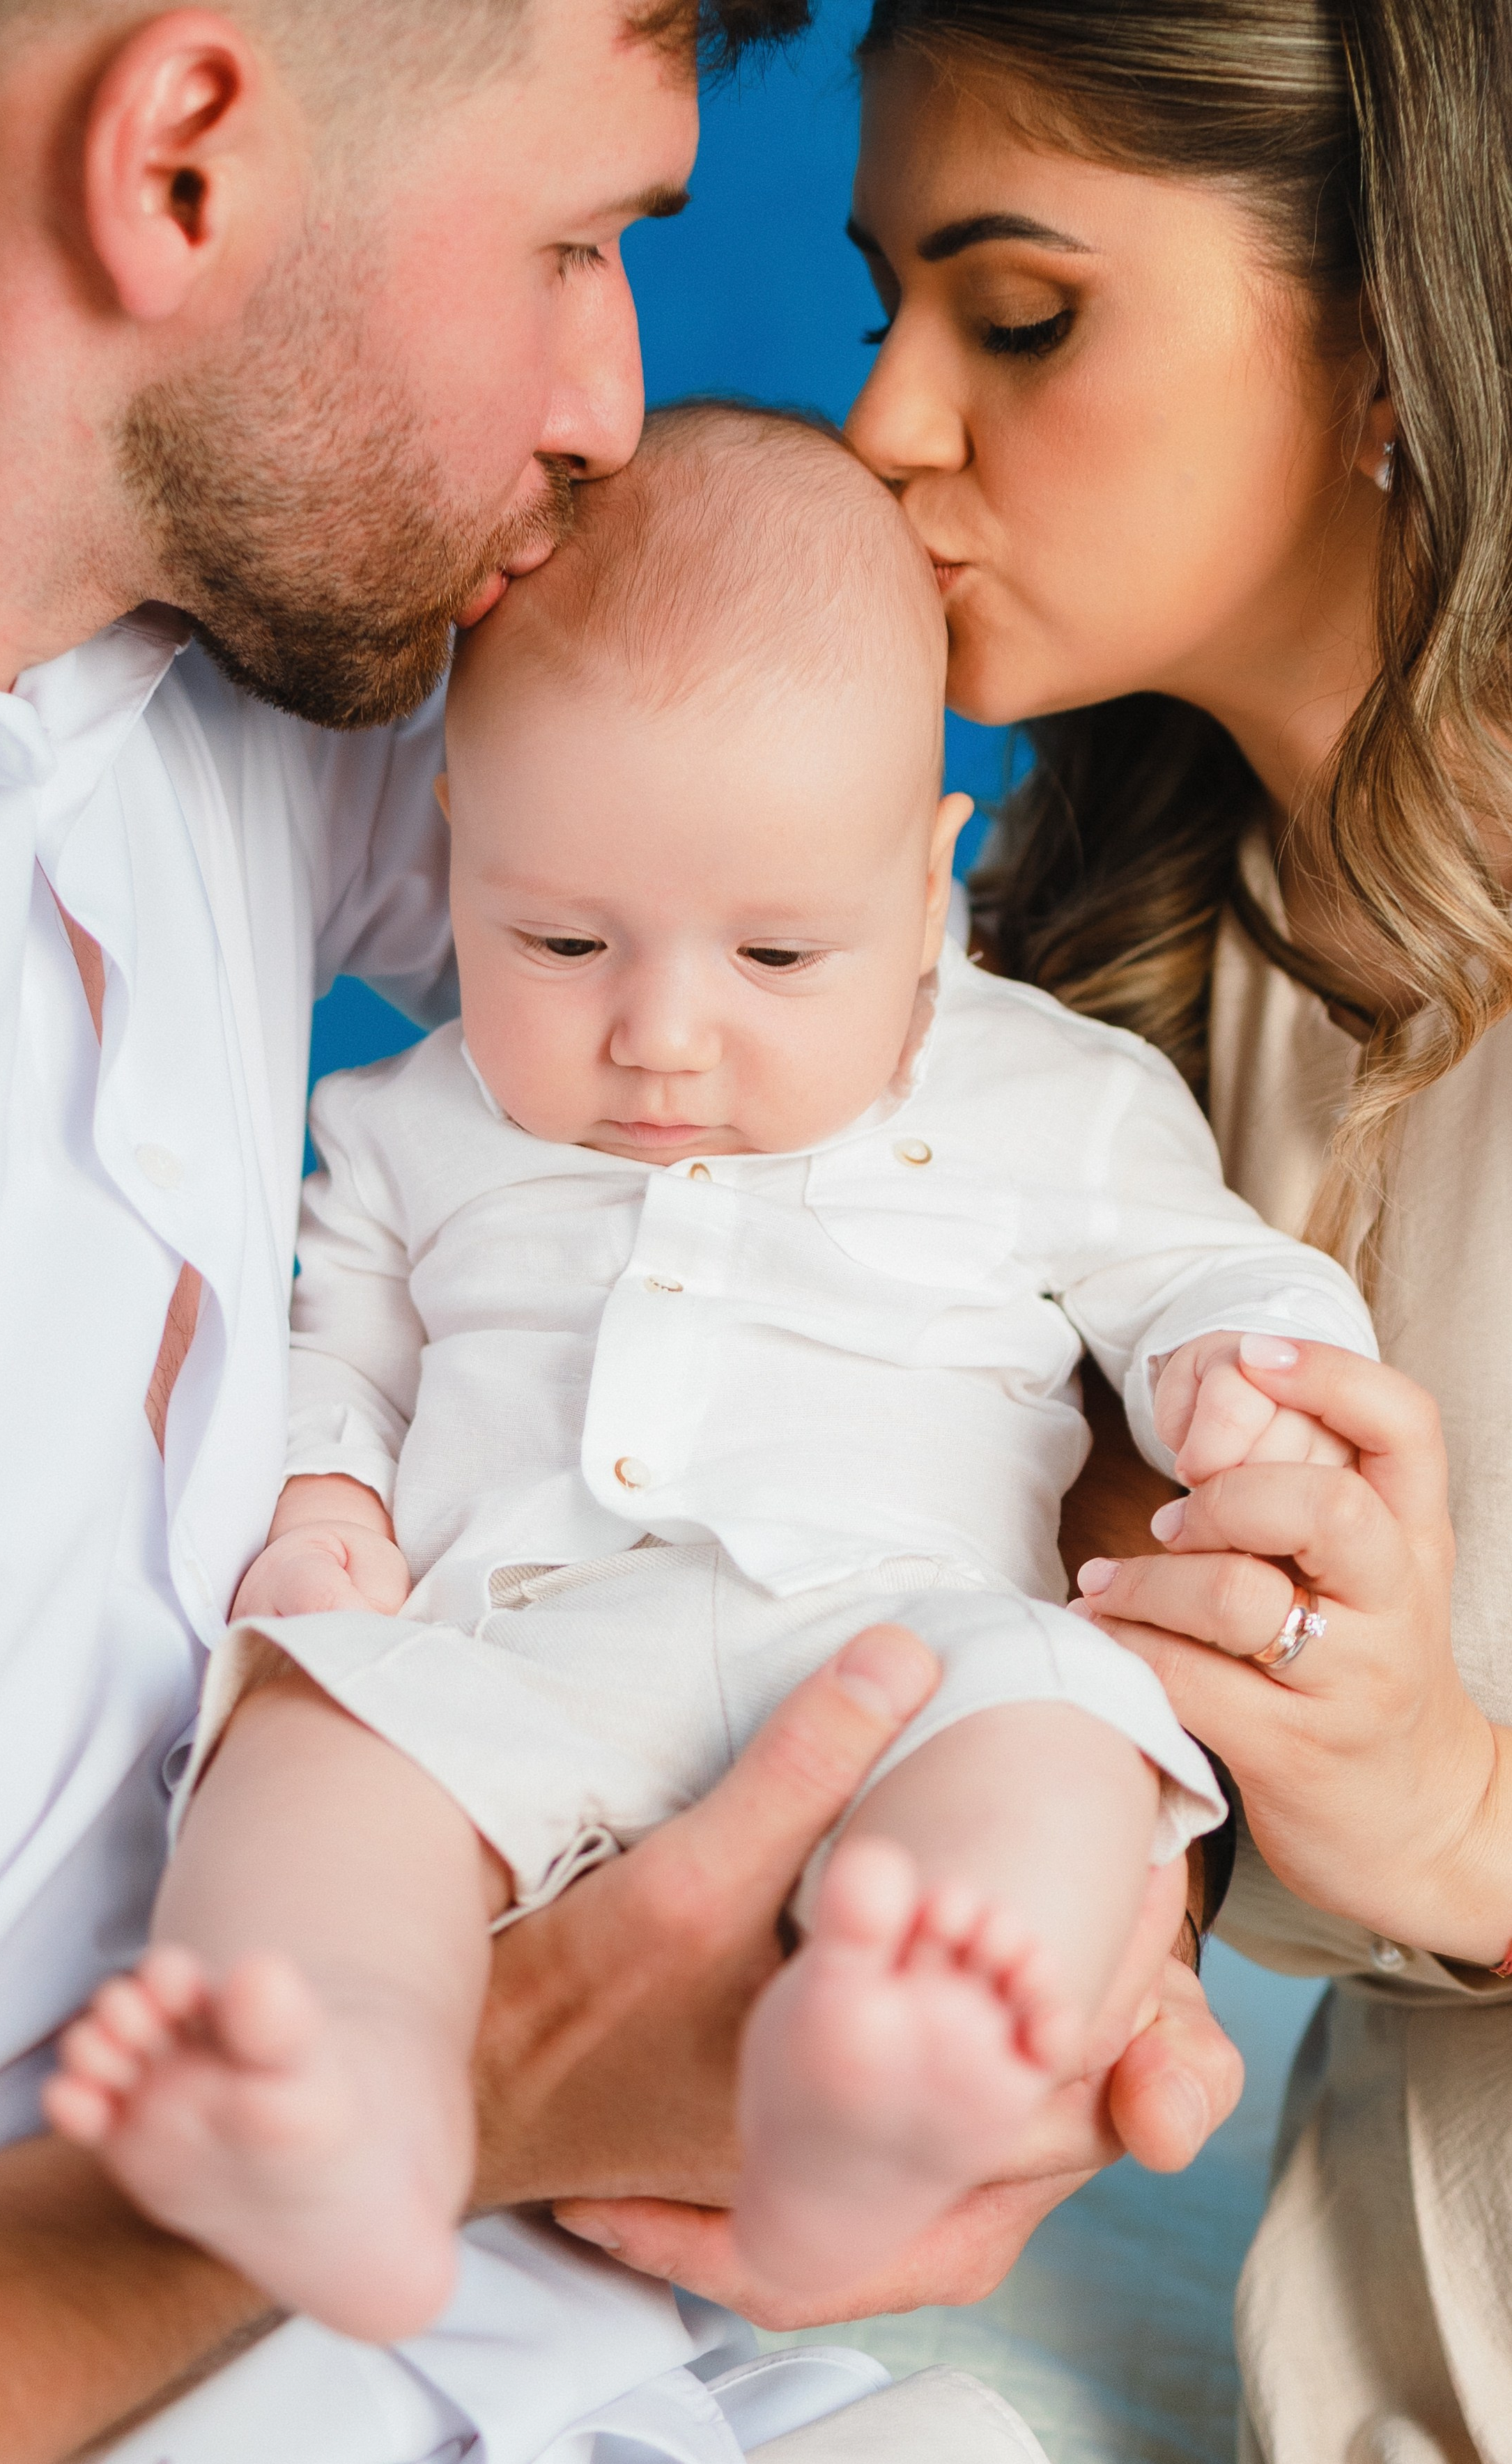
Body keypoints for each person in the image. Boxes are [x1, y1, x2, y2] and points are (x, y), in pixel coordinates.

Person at [0, 3, 1244, 2460]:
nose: (620, 395)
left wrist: (1098, 1713)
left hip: (644, 2345)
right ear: (184, 164)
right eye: (580, 241)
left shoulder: (247, 692)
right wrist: (512, 2084)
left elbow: (797, 948)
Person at [42, 401, 1373, 2339]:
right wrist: (326, 1499)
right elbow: (340, 1337)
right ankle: (312, 2075)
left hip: (912, 1646)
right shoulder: (413, 1122)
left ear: (931, 884)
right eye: (563, 935)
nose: (661, 1035)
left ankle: (892, 2065)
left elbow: (1199, 1265)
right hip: (517, 1650)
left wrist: (1245, 1369)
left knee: (1055, 1751)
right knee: (318, 1741)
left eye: (777, 954)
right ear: (457, 848)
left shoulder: (1049, 1091)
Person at [844, 0, 1512, 2456]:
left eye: (1020, 315)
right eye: (885, 306)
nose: (888, 423)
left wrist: (1458, 1810)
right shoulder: (1095, 1018)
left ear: (1387, 335)